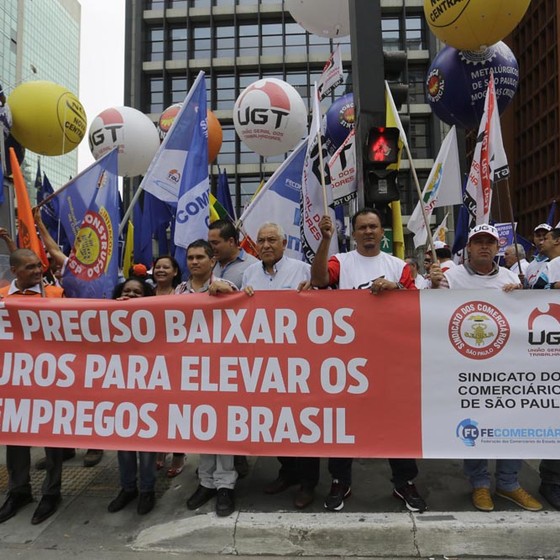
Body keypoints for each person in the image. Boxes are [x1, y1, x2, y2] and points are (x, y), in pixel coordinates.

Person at [311, 209, 426, 513]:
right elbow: (319, 279)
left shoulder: (398, 266)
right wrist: (325, 241)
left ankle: (404, 482)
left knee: (395, 421)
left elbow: (414, 306)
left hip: (388, 359)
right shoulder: (341, 261)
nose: (368, 232)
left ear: (382, 231)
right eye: (362, 227)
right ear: (354, 232)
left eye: (373, 226)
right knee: (344, 422)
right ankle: (340, 480)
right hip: (346, 359)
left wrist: (397, 290)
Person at [430, 224, 543, 513]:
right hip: (463, 366)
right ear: (468, 248)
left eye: (489, 242)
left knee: (512, 423)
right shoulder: (450, 277)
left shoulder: (510, 277)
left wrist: (522, 297)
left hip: (506, 368)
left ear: (497, 247)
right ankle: (479, 484)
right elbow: (430, 311)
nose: (484, 246)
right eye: (478, 241)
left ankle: (508, 482)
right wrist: (432, 286)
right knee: (474, 424)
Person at [242, 222, 318, 509]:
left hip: (301, 362)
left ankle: (308, 483)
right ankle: (288, 472)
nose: (265, 245)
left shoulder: (302, 270)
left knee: (305, 423)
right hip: (266, 364)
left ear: (284, 244)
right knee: (276, 422)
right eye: (261, 240)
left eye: (272, 239)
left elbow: (322, 301)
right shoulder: (249, 273)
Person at [32, 209, 104, 470]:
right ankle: (64, 447)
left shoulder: (104, 276)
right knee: (64, 398)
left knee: (92, 396)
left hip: (94, 346)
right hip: (65, 345)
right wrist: (38, 223)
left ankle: (95, 444)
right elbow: (51, 249)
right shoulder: (72, 269)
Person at [0, 248, 66, 525]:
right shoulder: (2, 298)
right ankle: (19, 491)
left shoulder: (55, 295)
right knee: (15, 437)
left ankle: (52, 492)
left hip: (50, 379)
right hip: (14, 380)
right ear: (14, 271)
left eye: (39, 266)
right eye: (30, 267)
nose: (38, 271)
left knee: (53, 439)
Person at [178, 239, 239, 517]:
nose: (194, 262)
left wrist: (225, 291)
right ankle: (205, 482)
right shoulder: (179, 291)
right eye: (190, 257)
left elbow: (242, 309)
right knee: (202, 428)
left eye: (200, 257)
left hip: (222, 370)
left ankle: (225, 485)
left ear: (212, 261)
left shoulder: (226, 288)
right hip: (191, 371)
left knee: (222, 428)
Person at [208, 219, 257, 478]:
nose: (211, 247)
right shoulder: (208, 264)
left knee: (236, 408)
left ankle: (237, 458)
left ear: (231, 241)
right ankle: (212, 463)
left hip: (241, 349)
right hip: (210, 351)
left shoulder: (252, 268)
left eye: (215, 242)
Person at [107, 277, 158, 515]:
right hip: (121, 392)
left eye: (137, 293)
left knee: (147, 446)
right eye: (127, 291)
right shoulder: (108, 317)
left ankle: (147, 490)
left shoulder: (158, 319)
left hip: (149, 391)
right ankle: (128, 488)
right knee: (124, 444)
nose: (131, 295)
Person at [530, 228, 560, 509]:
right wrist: (554, 289)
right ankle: (552, 480)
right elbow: (532, 298)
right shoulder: (549, 268)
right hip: (552, 351)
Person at [151, 255, 187, 478]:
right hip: (151, 361)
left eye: (166, 267)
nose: (161, 270)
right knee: (155, 409)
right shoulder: (145, 292)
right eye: (158, 267)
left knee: (176, 409)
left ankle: (178, 453)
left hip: (176, 360)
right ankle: (158, 448)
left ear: (175, 272)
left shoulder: (183, 295)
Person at [525, 223, 552, 288]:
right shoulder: (530, 265)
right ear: (534, 239)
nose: (541, 238)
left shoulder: (556, 261)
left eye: (545, 235)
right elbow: (526, 288)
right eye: (538, 236)